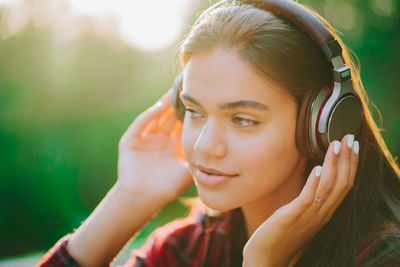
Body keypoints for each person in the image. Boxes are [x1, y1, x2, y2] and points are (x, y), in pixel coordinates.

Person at [37, 0, 400, 266]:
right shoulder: (191, 249)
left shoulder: (383, 257)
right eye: (194, 111)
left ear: (322, 125)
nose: (205, 146)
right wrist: (130, 197)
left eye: (243, 119)